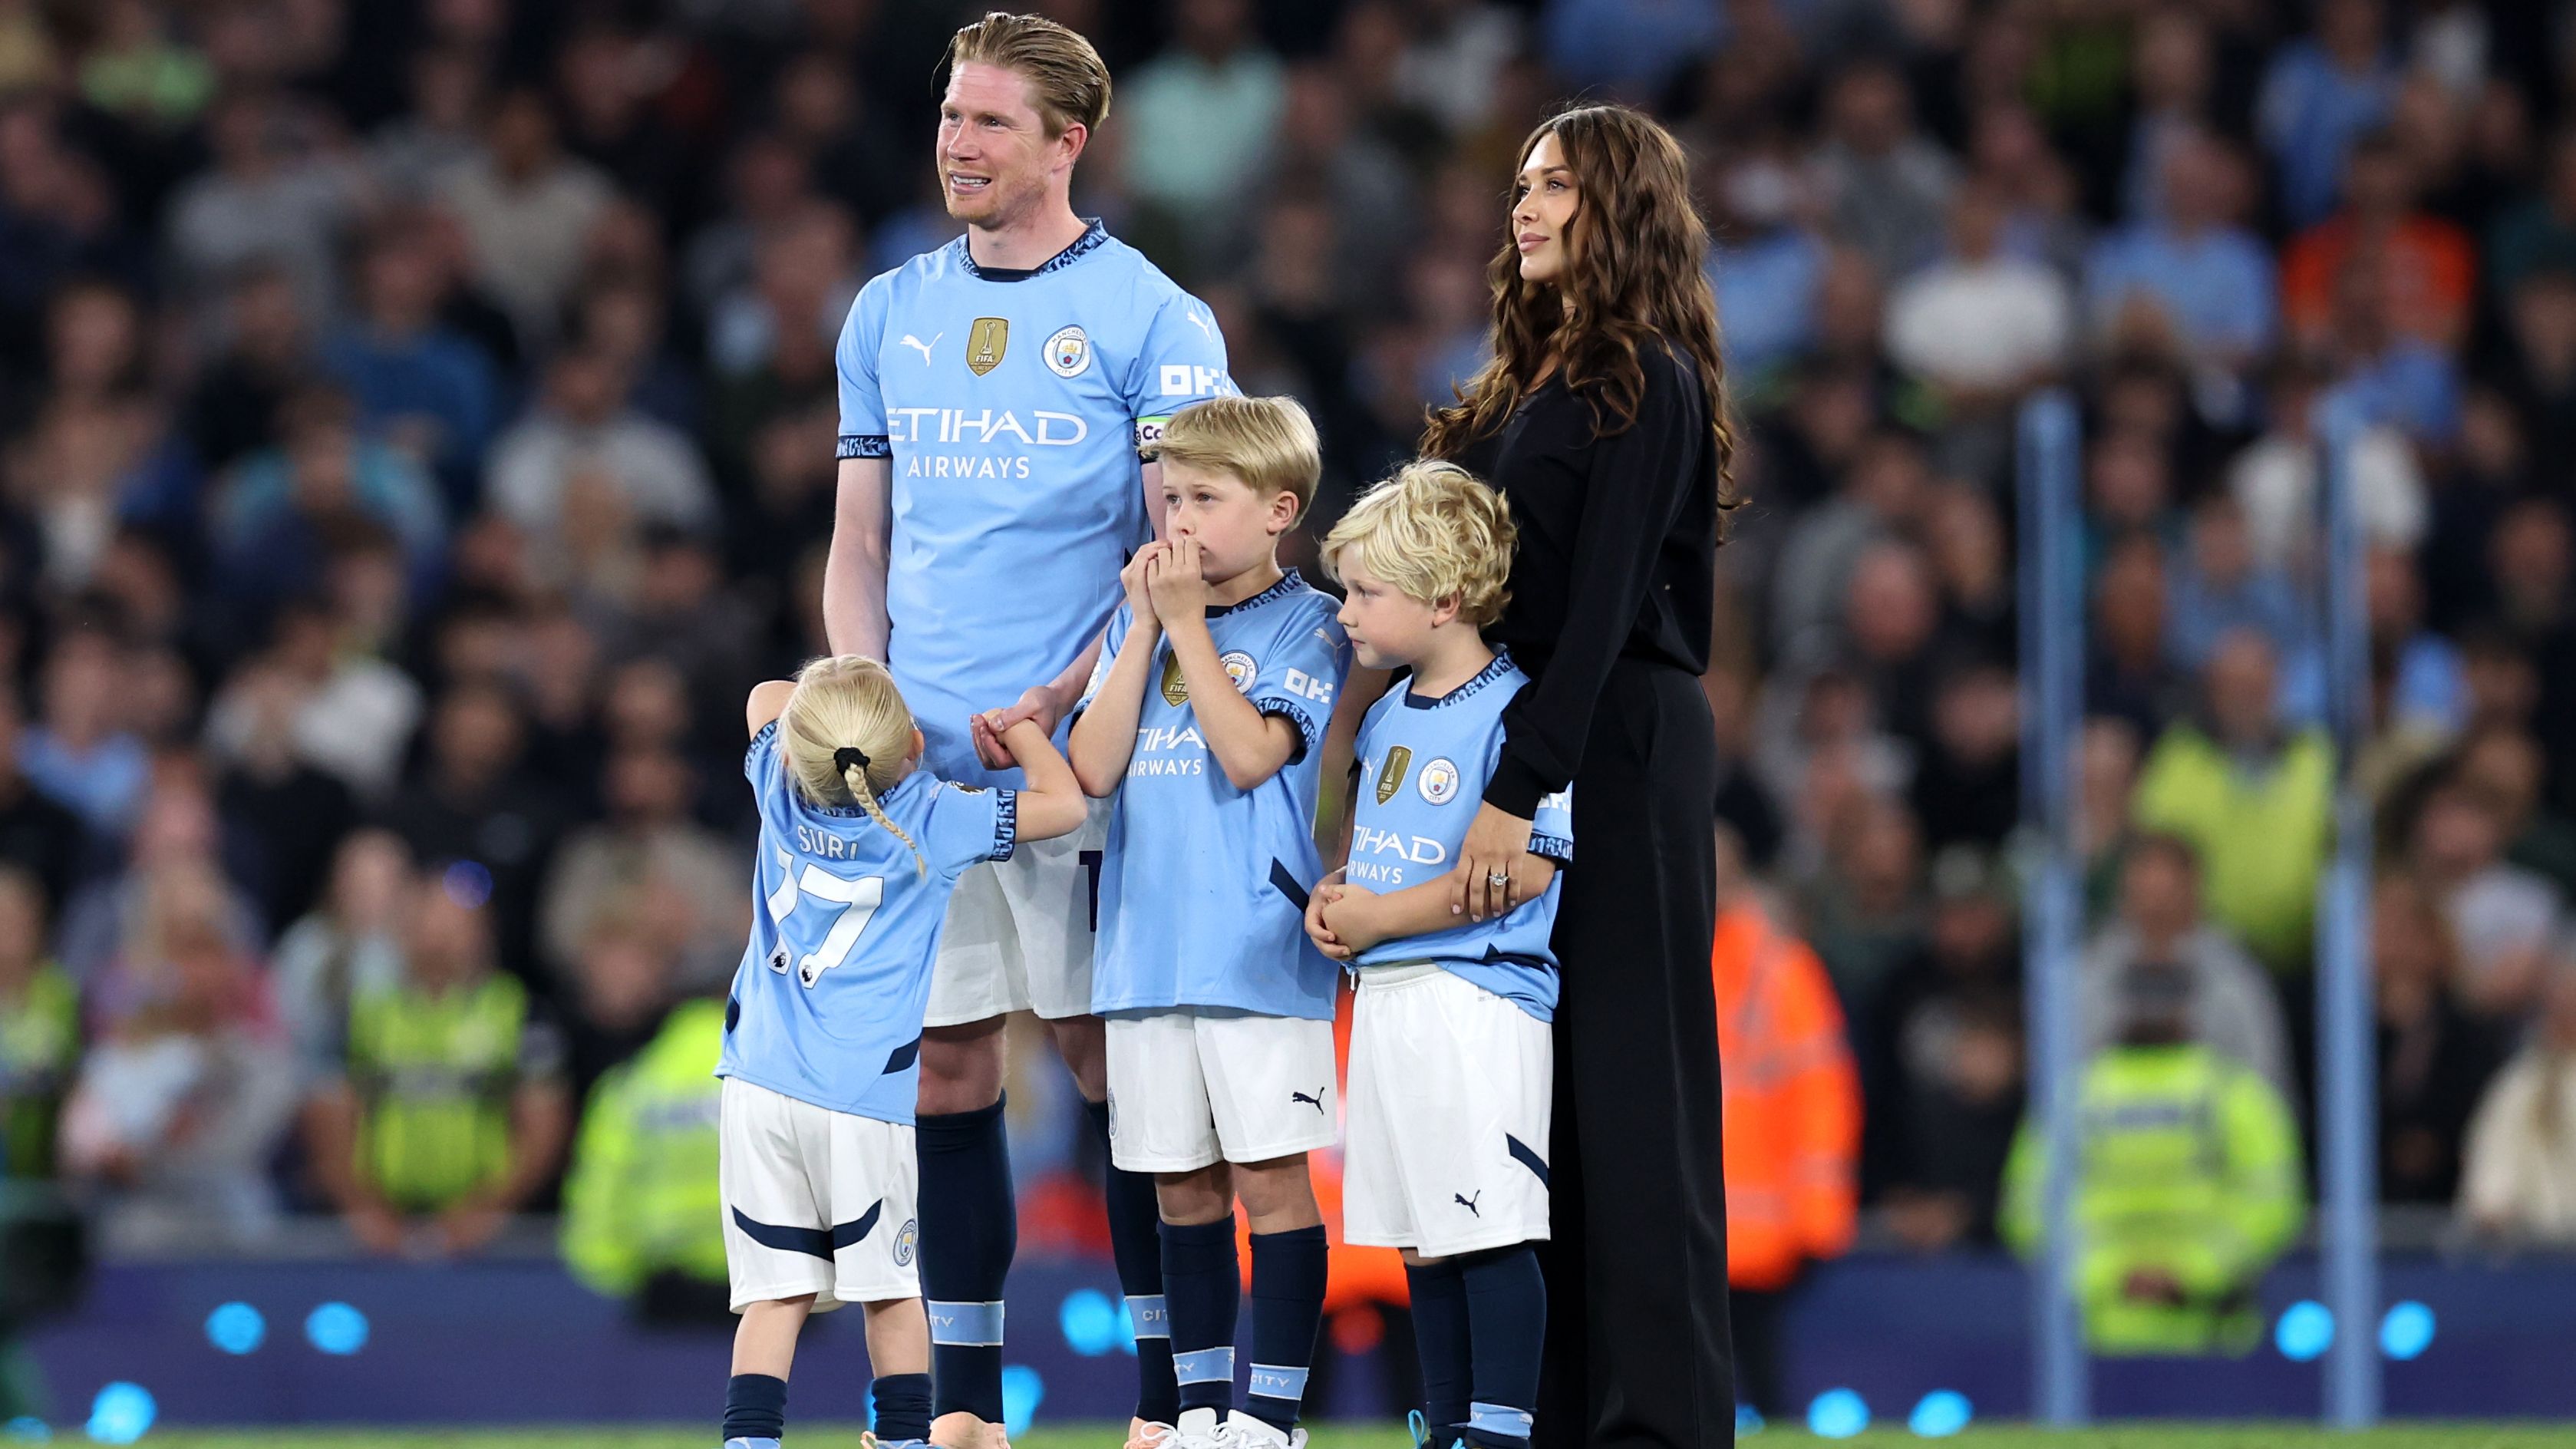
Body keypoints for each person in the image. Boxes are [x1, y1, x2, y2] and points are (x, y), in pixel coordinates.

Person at [816, 16, 1235, 1444]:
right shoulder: (887, 313)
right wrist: (858, 691)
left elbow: (1179, 552)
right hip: (922, 771)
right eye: (951, 115)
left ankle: (1167, 1400)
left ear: (1069, 143)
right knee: (945, 1067)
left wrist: (1065, 700)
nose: (958, 144)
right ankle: (965, 1409)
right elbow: (860, 539)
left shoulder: (1156, 320)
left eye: (992, 122)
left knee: (1108, 1059)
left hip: (1084, 761)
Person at [1420, 103, 1737, 1447]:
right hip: (1516, 745)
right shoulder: (1516, 386)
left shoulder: (1645, 374)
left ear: (1623, 207)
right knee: (1533, 1109)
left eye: (1556, 185)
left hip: (1611, 748)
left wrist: (1517, 787)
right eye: (1520, 184)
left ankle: (1659, 1426)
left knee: (1634, 1097)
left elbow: (1603, 607)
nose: (1526, 205)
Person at [1061, 395, 1351, 1449]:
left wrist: (1183, 622)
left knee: (1269, 1180)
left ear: (1279, 510)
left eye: (1205, 499)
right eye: (1170, 497)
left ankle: (1270, 1417)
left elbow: (1251, 753)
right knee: (1180, 1190)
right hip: (1142, 948)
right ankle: (1196, 1411)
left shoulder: (1313, 622)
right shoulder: (1135, 622)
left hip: (1252, 948)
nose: (1178, 521)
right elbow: (1092, 768)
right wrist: (1145, 625)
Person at [716, 654, 1090, 1449]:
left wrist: (831, 700)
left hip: (757, 1083)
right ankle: (904, 1439)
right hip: (863, 1097)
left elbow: (766, 694)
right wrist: (1024, 731)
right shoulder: (933, 814)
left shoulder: (776, 781)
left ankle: (749, 1441)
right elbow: (1064, 805)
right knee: (888, 1292)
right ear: (915, 745)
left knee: (775, 1296)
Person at [1299, 461, 1564, 1449]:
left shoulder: (1520, 715)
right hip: (1387, 998)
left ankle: (1499, 1432)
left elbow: (1525, 872)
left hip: (1475, 1000)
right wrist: (1339, 897)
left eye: (1367, 592)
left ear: (1444, 598)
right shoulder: (1382, 714)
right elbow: (1376, 856)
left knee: (1486, 1226)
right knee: (1423, 1237)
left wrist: (1381, 918)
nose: (1347, 613)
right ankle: (1447, 1427)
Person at [2000, 962, 2306, 1355]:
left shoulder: (2230, 1092)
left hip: (2207, 1327)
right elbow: (2029, 1208)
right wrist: (2131, 1275)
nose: (2153, 1009)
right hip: (2100, 1332)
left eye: (2164, 998)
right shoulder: (2231, 1091)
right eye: (2142, 998)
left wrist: (2181, 1274)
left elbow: (2273, 1204)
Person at [301, 870, 571, 1258]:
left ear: (482, 934)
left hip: (490, 1235)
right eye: (428, 923)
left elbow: (544, 1123)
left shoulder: (519, 1013)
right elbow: (328, 1114)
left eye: (455, 927)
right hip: (380, 1233)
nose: (439, 940)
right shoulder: (362, 1014)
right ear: (403, 930)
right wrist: (363, 1208)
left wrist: (487, 1210)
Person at [1707, 827, 1857, 1421]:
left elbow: (1821, 1097)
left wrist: (1816, 1218)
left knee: (1762, 1387)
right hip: (1685, 1223)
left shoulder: (1780, 971)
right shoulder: (1646, 957)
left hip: (1759, 1231)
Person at [560, 992, 729, 1315]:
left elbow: (600, 1192)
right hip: (780, 1292)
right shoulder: (792, 1079)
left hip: (667, 1294)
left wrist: (617, 1277)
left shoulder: (633, 1082)